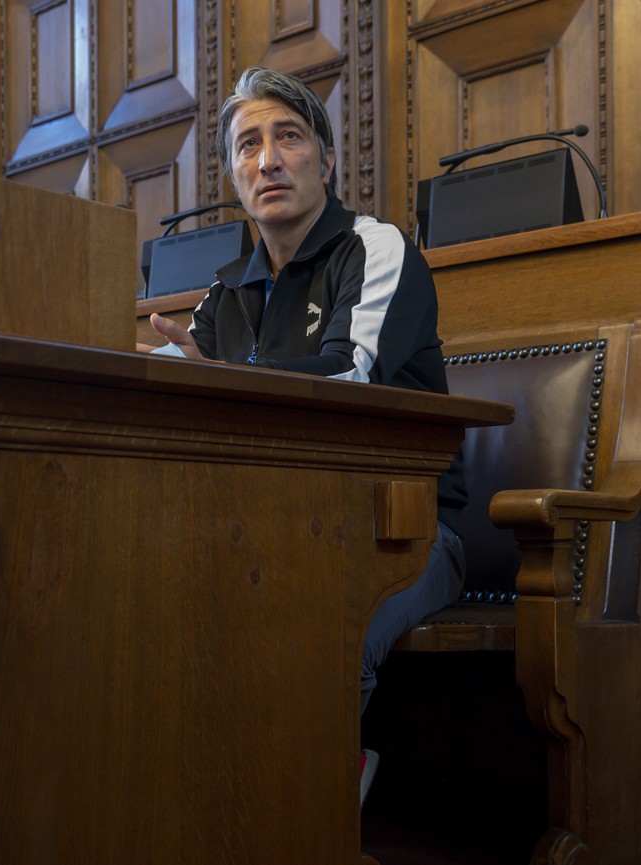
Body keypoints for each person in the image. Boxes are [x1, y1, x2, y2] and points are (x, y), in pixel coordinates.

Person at [148, 67, 467, 804]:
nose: (268, 160)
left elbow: (349, 378)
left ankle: (298, 813)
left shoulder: (376, 249)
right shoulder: (225, 295)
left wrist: (218, 378)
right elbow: (166, 385)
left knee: (315, 625)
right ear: (233, 174)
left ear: (325, 159)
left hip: (404, 529)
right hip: (268, 527)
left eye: (288, 137)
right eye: (247, 145)